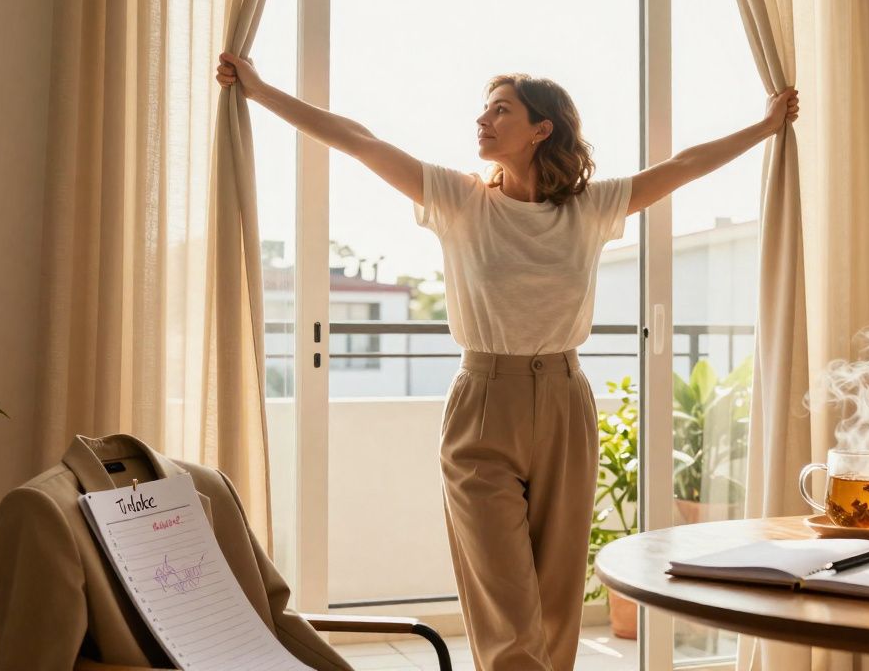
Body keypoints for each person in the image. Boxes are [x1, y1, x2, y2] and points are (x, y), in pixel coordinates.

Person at [215, 52, 798, 671]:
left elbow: (683, 167)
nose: (483, 120)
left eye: (501, 109)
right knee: (506, 601)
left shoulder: (589, 208)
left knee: (554, 598)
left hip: (566, 398)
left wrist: (765, 128)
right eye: (484, 108)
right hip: (484, 400)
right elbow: (360, 140)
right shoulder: (460, 200)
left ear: (541, 129)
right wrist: (261, 90)